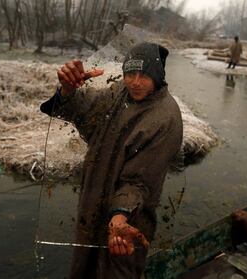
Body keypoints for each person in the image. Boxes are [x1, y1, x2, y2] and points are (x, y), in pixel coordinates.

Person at [40, 42, 183, 278]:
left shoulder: (166, 118)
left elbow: (139, 182)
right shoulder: (119, 92)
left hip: (129, 222)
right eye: (130, 74)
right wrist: (68, 90)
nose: (135, 82)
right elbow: (85, 109)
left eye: (145, 75)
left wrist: (119, 219)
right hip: (93, 206)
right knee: (84, 268)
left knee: (116, 270)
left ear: (158, 77)